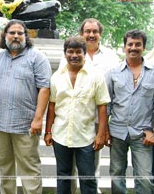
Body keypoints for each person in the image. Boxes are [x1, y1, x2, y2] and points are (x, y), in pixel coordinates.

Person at [58, 18, 120, 194]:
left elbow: (115, 89)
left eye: (95, 31)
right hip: (72, 119)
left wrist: (104, 126)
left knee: (91, 164)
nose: (91, 35)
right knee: (68, 167)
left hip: (97, 118)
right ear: (82, 33)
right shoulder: (71, 56)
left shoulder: (111, 57)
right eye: (88, 31)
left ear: (100, 34)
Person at [0, 19, 51, 194]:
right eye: (12, 33)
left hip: (26, 124)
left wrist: (38, 119)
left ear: (26, 36)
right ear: (5, 35)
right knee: (5, 168)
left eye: (20, 33)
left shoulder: (37, 57)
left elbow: (44, 89)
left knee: (29, 169)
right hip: (1, 124)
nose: (16, 36)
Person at [45, 36, 110, 194]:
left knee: (88, 178)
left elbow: (102, 106)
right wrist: (48, 131)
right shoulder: (56, 78)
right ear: (65, 54)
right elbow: (52, 106)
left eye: (78, 52)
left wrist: (101, 134)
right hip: (61, 135)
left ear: (85, 53)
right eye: (70, 51)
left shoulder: (96, 76)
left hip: (86, 137)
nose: (74, 55)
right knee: (63, 176)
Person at [105, 29, 154, 194]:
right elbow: (106, 104)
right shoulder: (113, 73)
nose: (134, 47)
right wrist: (104, 131)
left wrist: (152, 131)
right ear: (124, 47)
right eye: (130, 44)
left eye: (138, 44)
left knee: (145, 178)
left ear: (144, 47)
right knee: (116, 174)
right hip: (117, 132)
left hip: (143, 134)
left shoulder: (152, 73)